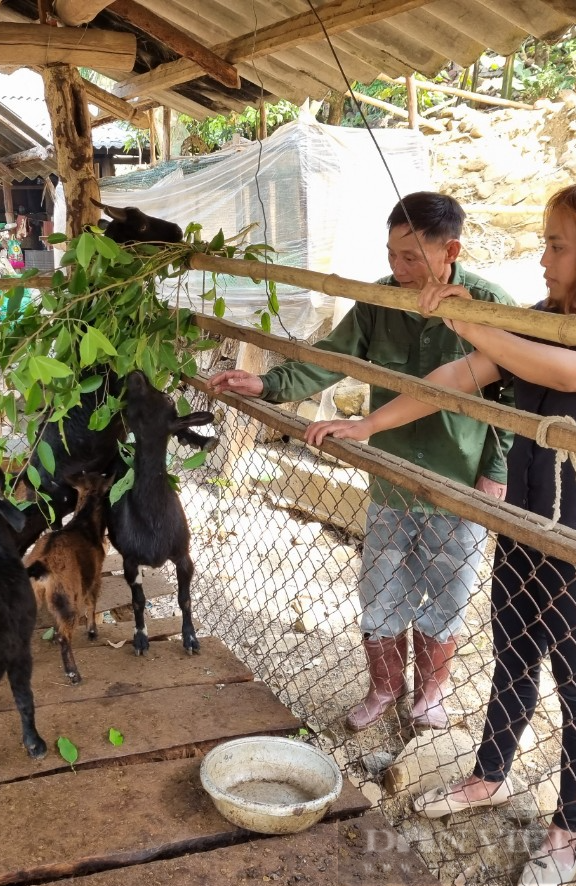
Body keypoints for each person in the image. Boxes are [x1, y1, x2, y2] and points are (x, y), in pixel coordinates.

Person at [305, 179, 576, 886]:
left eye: (556, 244)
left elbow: (571, 371)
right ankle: (487, 776)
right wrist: (369, 423)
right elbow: (460, 376)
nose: (543, 258)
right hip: (522, 525)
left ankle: (568, 829)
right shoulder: (549, 314)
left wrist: (473, 321)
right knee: (512, 660)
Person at [208, 192, 515, 732]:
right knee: (380, 590)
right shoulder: (377, 299)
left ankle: (432, 696)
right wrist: (267, 383)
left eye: (411, 258)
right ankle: (382, 690)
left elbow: (513, 398)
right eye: (392, 254)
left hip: (458, 478)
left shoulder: (489, 303)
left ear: (452, 252)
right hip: (391, 479)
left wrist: (497, 469)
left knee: (448, 591)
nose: (397, 268)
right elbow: (334, 358)